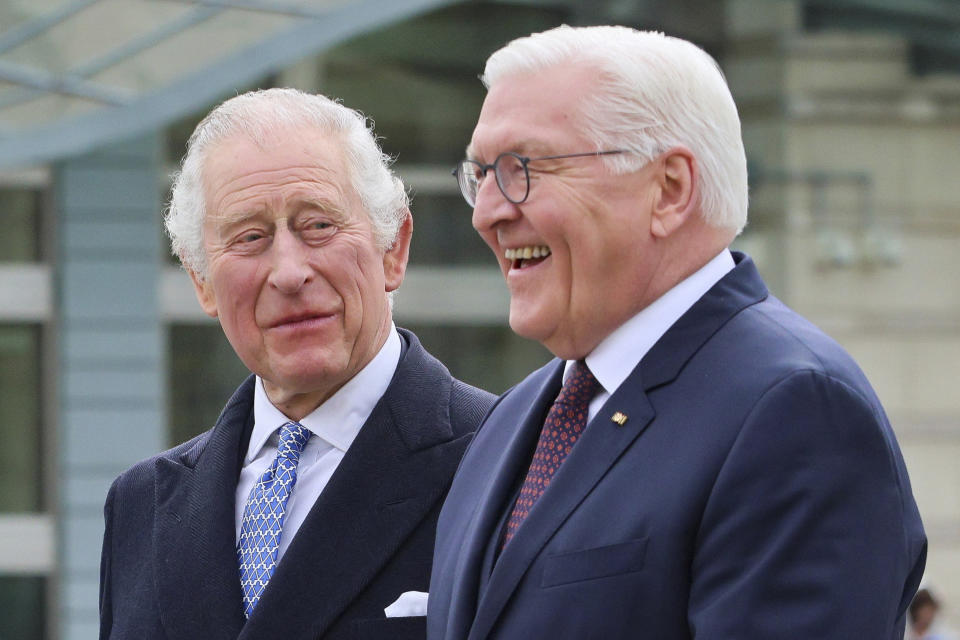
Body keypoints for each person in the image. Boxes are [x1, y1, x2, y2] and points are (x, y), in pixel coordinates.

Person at [427, 25, 926, 640]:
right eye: (481, 175)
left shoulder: (795, 410)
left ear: (669, 190)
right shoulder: (516, 418)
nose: (488, 212)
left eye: (523, 168)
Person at [99, 88, 494, 639]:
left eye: (319, 226)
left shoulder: (506, 460)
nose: (289, 272)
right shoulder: (142, 504)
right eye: (250, 237)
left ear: (393, 248)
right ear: (201, 281)